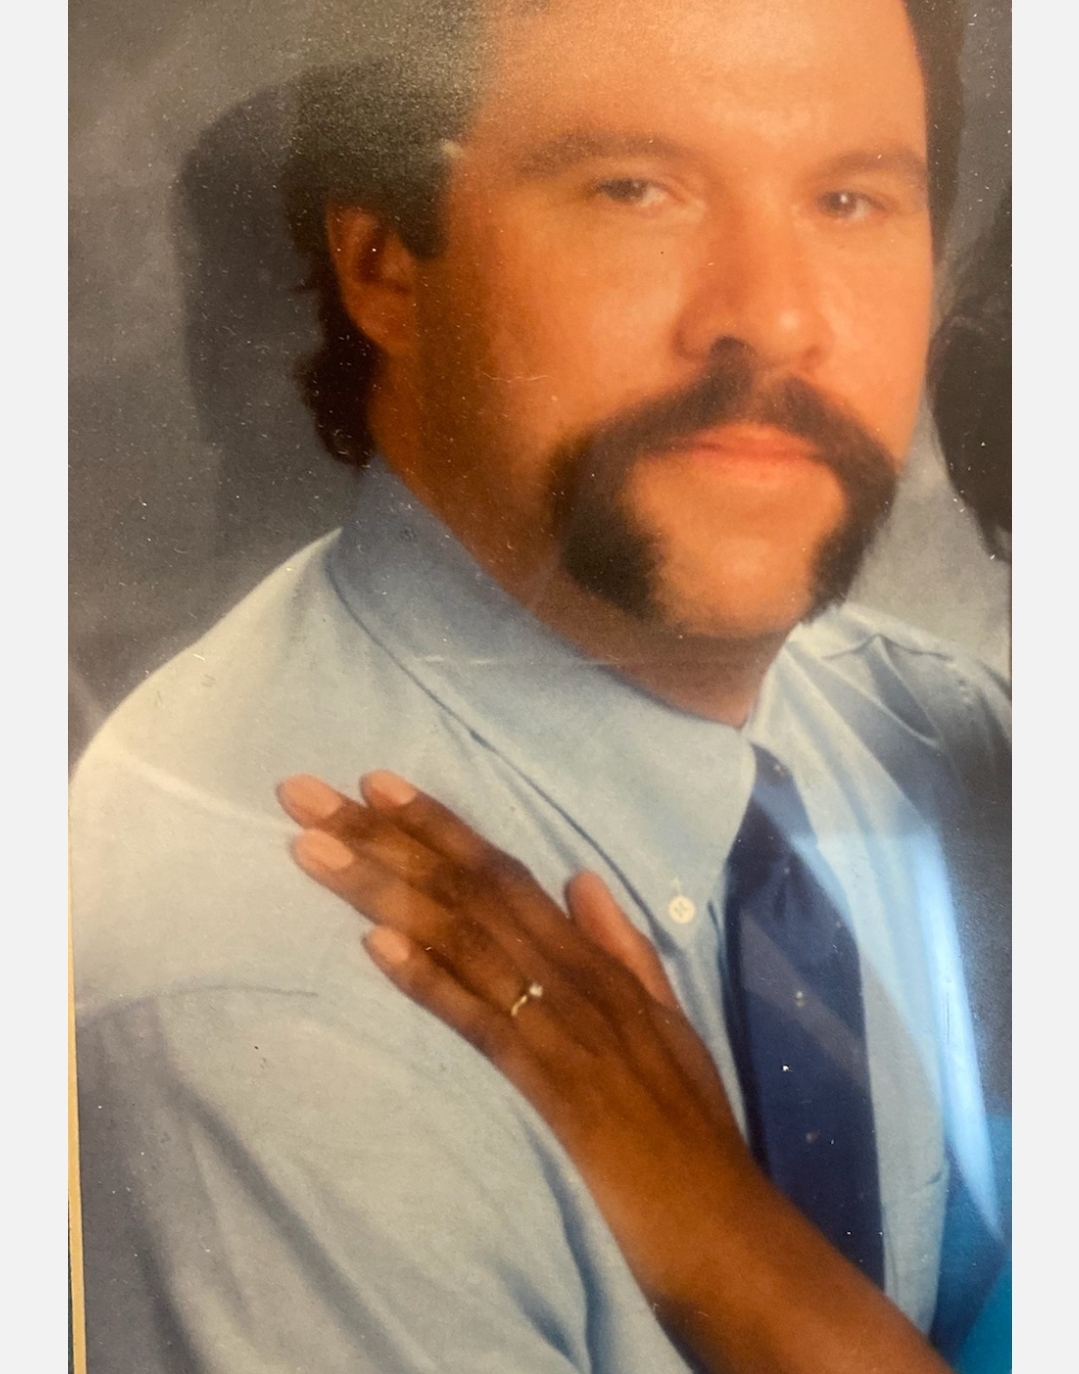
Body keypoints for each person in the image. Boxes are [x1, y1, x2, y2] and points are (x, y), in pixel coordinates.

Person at [70, 0, 1010, 1371]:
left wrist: (737, 1254)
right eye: (635, 189)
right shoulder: (280, 1000)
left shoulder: (952, 743)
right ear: (384, 263)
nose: (773, 319)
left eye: (849, 199)